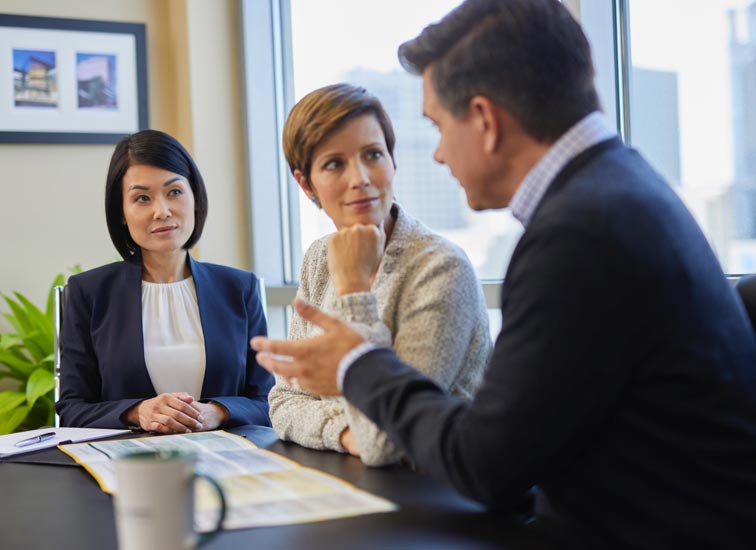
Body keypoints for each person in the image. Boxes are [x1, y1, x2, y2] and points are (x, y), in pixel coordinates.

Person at [251, 0, 756, 548]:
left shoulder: (578, 235)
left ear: (486, 121)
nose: (439, 154)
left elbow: (486, 464)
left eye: (438, 125)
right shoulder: (619, 193)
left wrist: (354, 363)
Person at [267, 83, 491, 467]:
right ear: (306, 184)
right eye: (334, 164)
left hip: (436, 496)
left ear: (393, 161)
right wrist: (344, 431)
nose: (361, 178)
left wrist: (355, 290)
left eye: (373, 155)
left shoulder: (440, 267)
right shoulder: (319, 257)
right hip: (352, 482)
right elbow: (284, 401)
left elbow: (385, 441)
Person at [57, 129, 274, 433]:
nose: (162, 211)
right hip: (129, 468)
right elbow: (72, 410)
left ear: (195, 198)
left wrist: (218, 412)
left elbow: (269, 401)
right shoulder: (89, 293)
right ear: (121, 212)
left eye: (174, 192)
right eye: (142, 198)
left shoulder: (240, 288)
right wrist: (138, 411)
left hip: (229, 462)